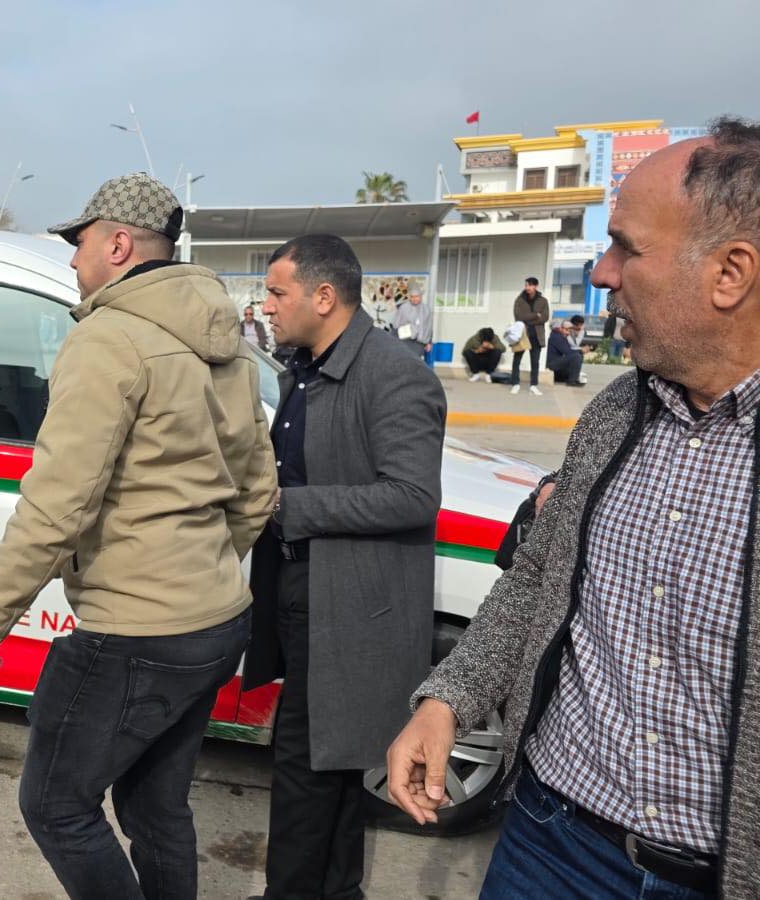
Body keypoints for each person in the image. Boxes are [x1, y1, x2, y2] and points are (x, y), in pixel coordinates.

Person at [386, 117, 760, 899]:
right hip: (550, 843)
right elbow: (536, 581)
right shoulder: (614, 415)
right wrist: (449, 698)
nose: (601, 272)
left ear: (731, 273)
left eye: (626, 247)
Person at [0, 173, 276, 899]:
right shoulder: (226, 342)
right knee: (156, 808)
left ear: (120, 243)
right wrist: (199, 567)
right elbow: (258, 489)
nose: (73, 258)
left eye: (80, 242)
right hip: (216, 617)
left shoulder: (107, 338)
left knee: (54, 805)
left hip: (136, 630)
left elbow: (59, 502)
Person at [245, 233, 445, 900]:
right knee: (328, 772)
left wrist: (290, 506)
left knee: (308, 771)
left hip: (346, 607)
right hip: (302, 587)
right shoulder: (303, 368)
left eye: (278, 292)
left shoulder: (394, 374)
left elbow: (412, 495)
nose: (267, 306)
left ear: (324, 297)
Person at [510, 276, 550, 395]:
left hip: (537, 335)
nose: (527, 287)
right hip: (522, 333)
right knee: (517, 359)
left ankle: (533, 385)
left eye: (530, 285)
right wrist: (535, 315)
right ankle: (515, 384)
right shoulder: (519, 300)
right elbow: (518, 317)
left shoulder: (543, 300)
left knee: (535, 361)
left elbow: (545, 317)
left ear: (535, 286)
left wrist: (528, 319)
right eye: (526, 285)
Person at [392, 289, 434, 362]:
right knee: (404, 361)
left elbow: (429, 327)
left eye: (416, 296)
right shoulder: (403, 308)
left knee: (416, 362)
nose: (414, 299)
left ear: (420, 297)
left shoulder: (426, 309)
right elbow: (396, 325)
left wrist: (429, 343)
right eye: (412, 296)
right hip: (405, 341)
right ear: (409, 297)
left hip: (419, 342)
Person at [545, 315, 586, 387]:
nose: (568, 333)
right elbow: (568, 352)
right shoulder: (556, 337)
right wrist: (581, 351)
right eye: (566, 330)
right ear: (560, 328)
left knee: (578, 355)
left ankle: (573, 378)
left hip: (555, 363)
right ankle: (572, 381)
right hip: (552, 365)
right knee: (576, 356)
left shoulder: (559, 336)